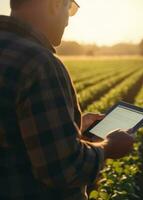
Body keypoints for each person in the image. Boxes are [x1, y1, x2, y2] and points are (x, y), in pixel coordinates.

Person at [0, 0, 134, 199]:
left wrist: (73, 128)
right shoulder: (39, 63)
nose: (68, 22)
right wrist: (109, 147)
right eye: (68, 8)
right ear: (54, 4)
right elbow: (63, 170)